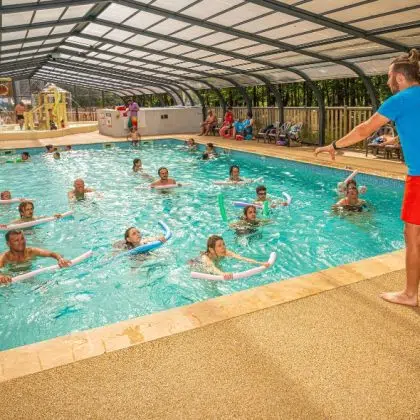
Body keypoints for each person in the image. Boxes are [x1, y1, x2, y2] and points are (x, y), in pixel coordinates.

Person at [315, 48, 420, 306]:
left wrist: (335, 146)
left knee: (413, 235)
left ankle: (410, 294)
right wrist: (395, 138)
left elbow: (364, 129)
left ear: (399, 78)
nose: (386, 82)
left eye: (388, 76)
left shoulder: (400, 99)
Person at [0, 230, 71, 284]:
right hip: (12, 279)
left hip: (30, 277)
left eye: (22, 239)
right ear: (8, 244)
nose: (21, 242)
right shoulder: (4, 258)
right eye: (16, 240)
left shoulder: (32, 251)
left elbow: (51, 254)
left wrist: (60, 259)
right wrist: (1, 276)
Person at [190, 235, 269, 280]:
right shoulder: (205, 258)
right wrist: (223, 274)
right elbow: (212, 268)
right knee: (212, 281)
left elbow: (242, 258)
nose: (223, 247)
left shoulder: (225, 252)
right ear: (211, 249)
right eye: (219, 246)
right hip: (198, 265)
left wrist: (260, 263)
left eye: (223, 244)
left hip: (214, 263)